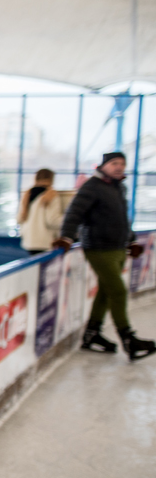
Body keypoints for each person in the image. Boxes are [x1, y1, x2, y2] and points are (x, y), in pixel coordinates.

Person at [54, 152, 154, 361]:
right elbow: (74, 213)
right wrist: (66, 237)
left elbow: (123, 218)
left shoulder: (118, 187)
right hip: (98, 248)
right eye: (114, 163)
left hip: (118, 247)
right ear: (103, 166)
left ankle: (92, 334)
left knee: (106, 292)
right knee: (117, 291)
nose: (119, 167)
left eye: (122, 164)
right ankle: (128, 338)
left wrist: (132, 240)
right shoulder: (92, 186)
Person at [17, 168, 67, 254]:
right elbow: (52, 221)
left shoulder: (27, 194)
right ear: (51, 179)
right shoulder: (51, 194)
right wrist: (68, 219)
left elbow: (19, 219)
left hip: (29, 241)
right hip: (44, 242)